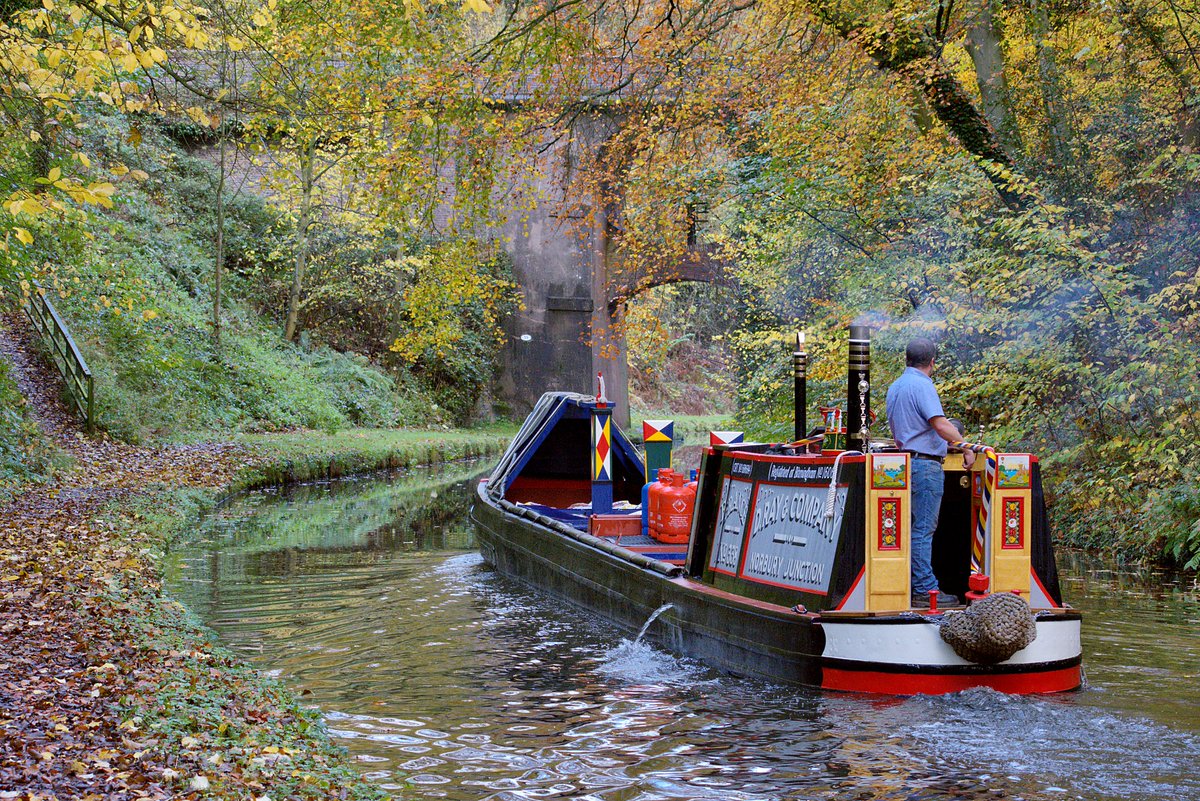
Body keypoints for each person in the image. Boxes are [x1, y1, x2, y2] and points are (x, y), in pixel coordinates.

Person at [885, 338, 975, 609]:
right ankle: (925, 589)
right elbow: (939, 424)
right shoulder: (923, 386)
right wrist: (964, 445)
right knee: (923, 529)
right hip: (925, 466)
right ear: (933, 361)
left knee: (908, 530)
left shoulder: (896, 387)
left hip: (903, 465)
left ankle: (909, 584)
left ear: (906, 359)